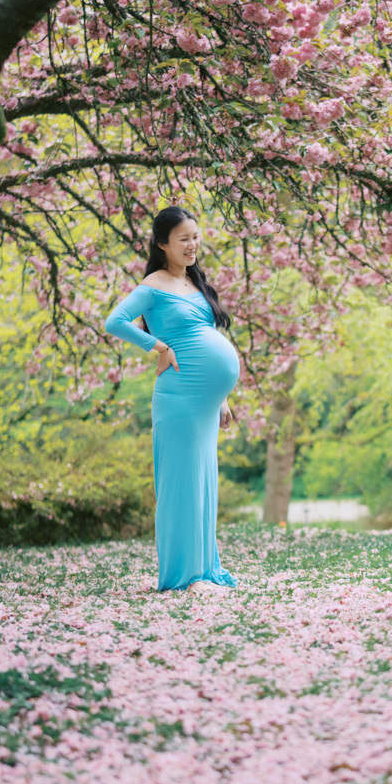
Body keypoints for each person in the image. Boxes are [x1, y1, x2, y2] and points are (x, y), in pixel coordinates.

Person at [105, 206, 239, 595]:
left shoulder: (196, 283)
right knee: (181, 484)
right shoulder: (153, 284)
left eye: (196, 236)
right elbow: (115, 321)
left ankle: (204, 570)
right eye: (184, 238)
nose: (193, 244)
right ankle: (185, 576)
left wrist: (221, 398)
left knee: (203, 481)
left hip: (205, 401)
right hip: (178, 398)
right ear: (163, 244)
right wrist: (158, 345)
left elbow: (205, 336)